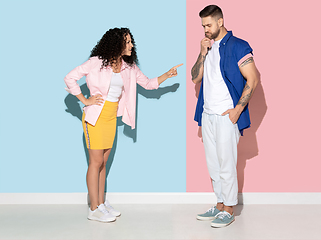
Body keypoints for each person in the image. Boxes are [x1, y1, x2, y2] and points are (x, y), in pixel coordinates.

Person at [64, 27, 182, 223]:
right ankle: (93, 209)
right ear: (116, 43)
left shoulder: (129, 67)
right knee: (95, 163)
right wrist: (85, 100)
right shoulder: (96, 63)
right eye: (127, 42)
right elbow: (69, 77)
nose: (131, 45)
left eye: (131, 41)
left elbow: (148, 83)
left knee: (103, 164)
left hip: (112, 118)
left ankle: (101, 203)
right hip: (95, 117)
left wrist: (167, 75)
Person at [191, 5, 260, 228]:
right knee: (213, 164)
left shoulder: (239, 46)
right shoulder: (208, 48)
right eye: (203, 26)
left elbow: (253, 79)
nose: (205, 29)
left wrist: (237, 110)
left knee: (227, 163)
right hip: (208, 115)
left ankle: (229, 208)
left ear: (220, 22)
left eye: (208, 25)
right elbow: (195, 78)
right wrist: (202, 53)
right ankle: (220, 204)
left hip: (226, 116)